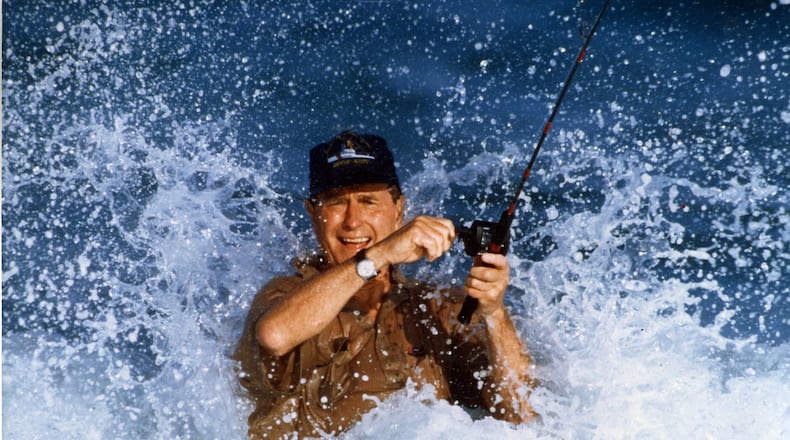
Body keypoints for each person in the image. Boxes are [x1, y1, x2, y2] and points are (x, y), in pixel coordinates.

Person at [233, 130, 537, 438]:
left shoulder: (438, 309)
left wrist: (495, 314)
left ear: (399, 210)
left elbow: (522, 418)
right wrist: (377, 255)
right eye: (336, 203)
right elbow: (274, 335)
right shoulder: (284, 295)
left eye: (368, 201)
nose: (352, 221)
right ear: (313, 214)